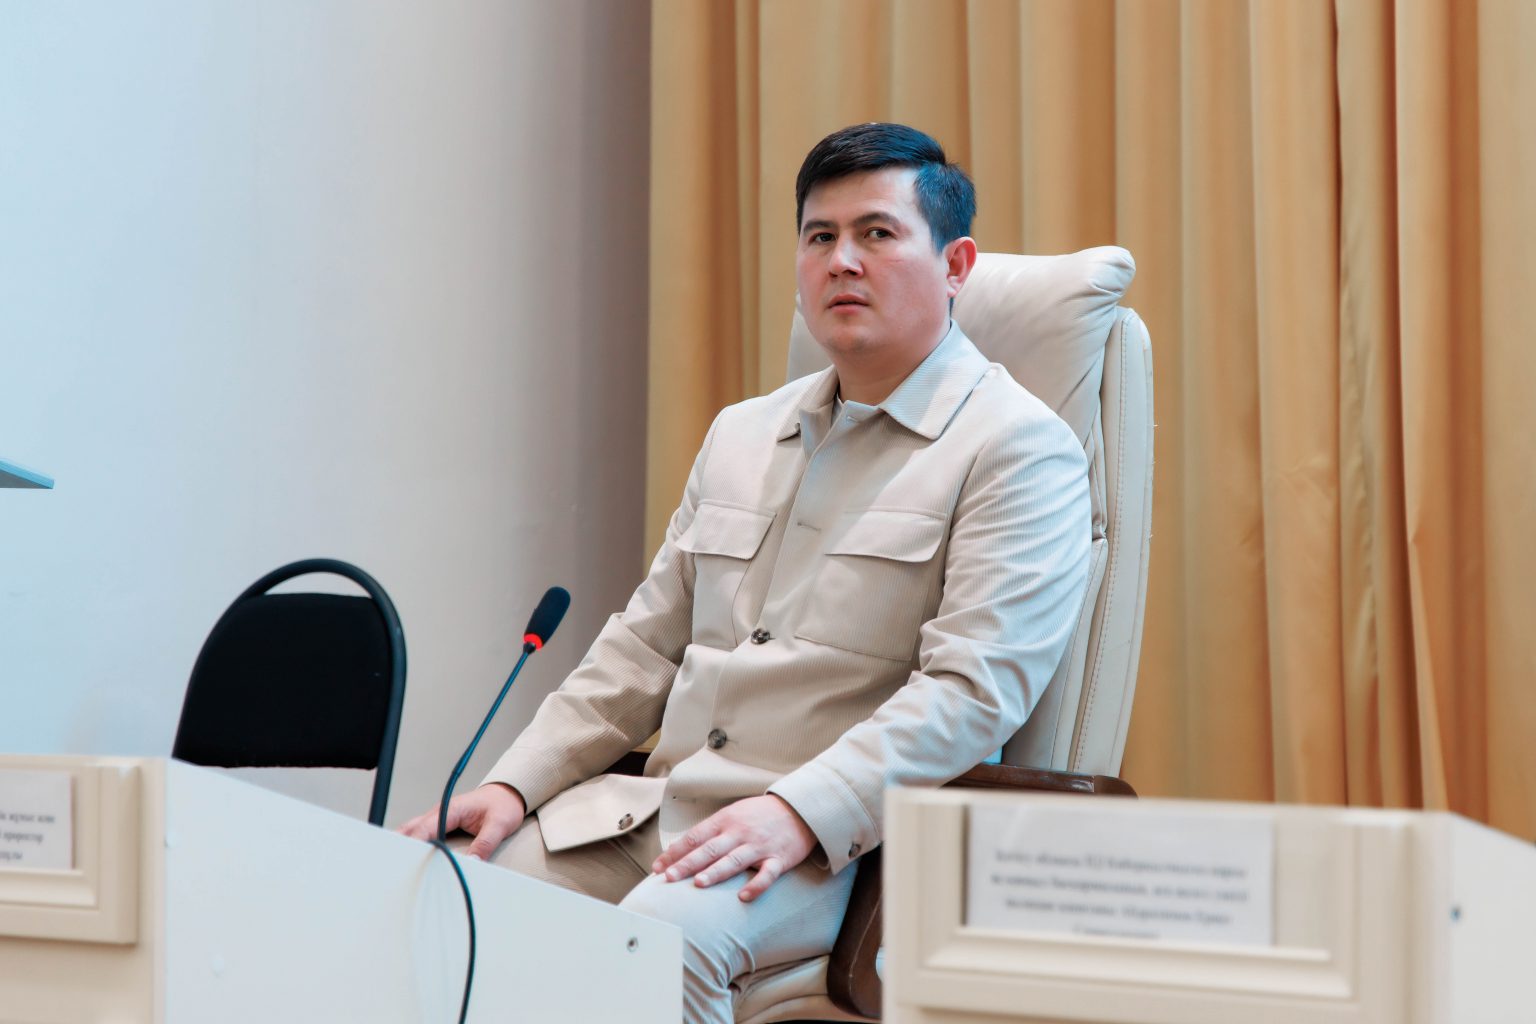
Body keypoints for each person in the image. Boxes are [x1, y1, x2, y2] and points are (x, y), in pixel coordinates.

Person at [399, 122, 1092, 1024]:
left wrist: (800, 812)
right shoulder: (742, 433)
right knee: (442, 894)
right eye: (820, 236)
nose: (842, 261)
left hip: (841, 845)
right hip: (655, 811)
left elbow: (973, 692)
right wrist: (513, 783)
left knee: (657, 943)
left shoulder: (1016, 447)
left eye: (877, 233)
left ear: (956, 264)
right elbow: (643, 648)